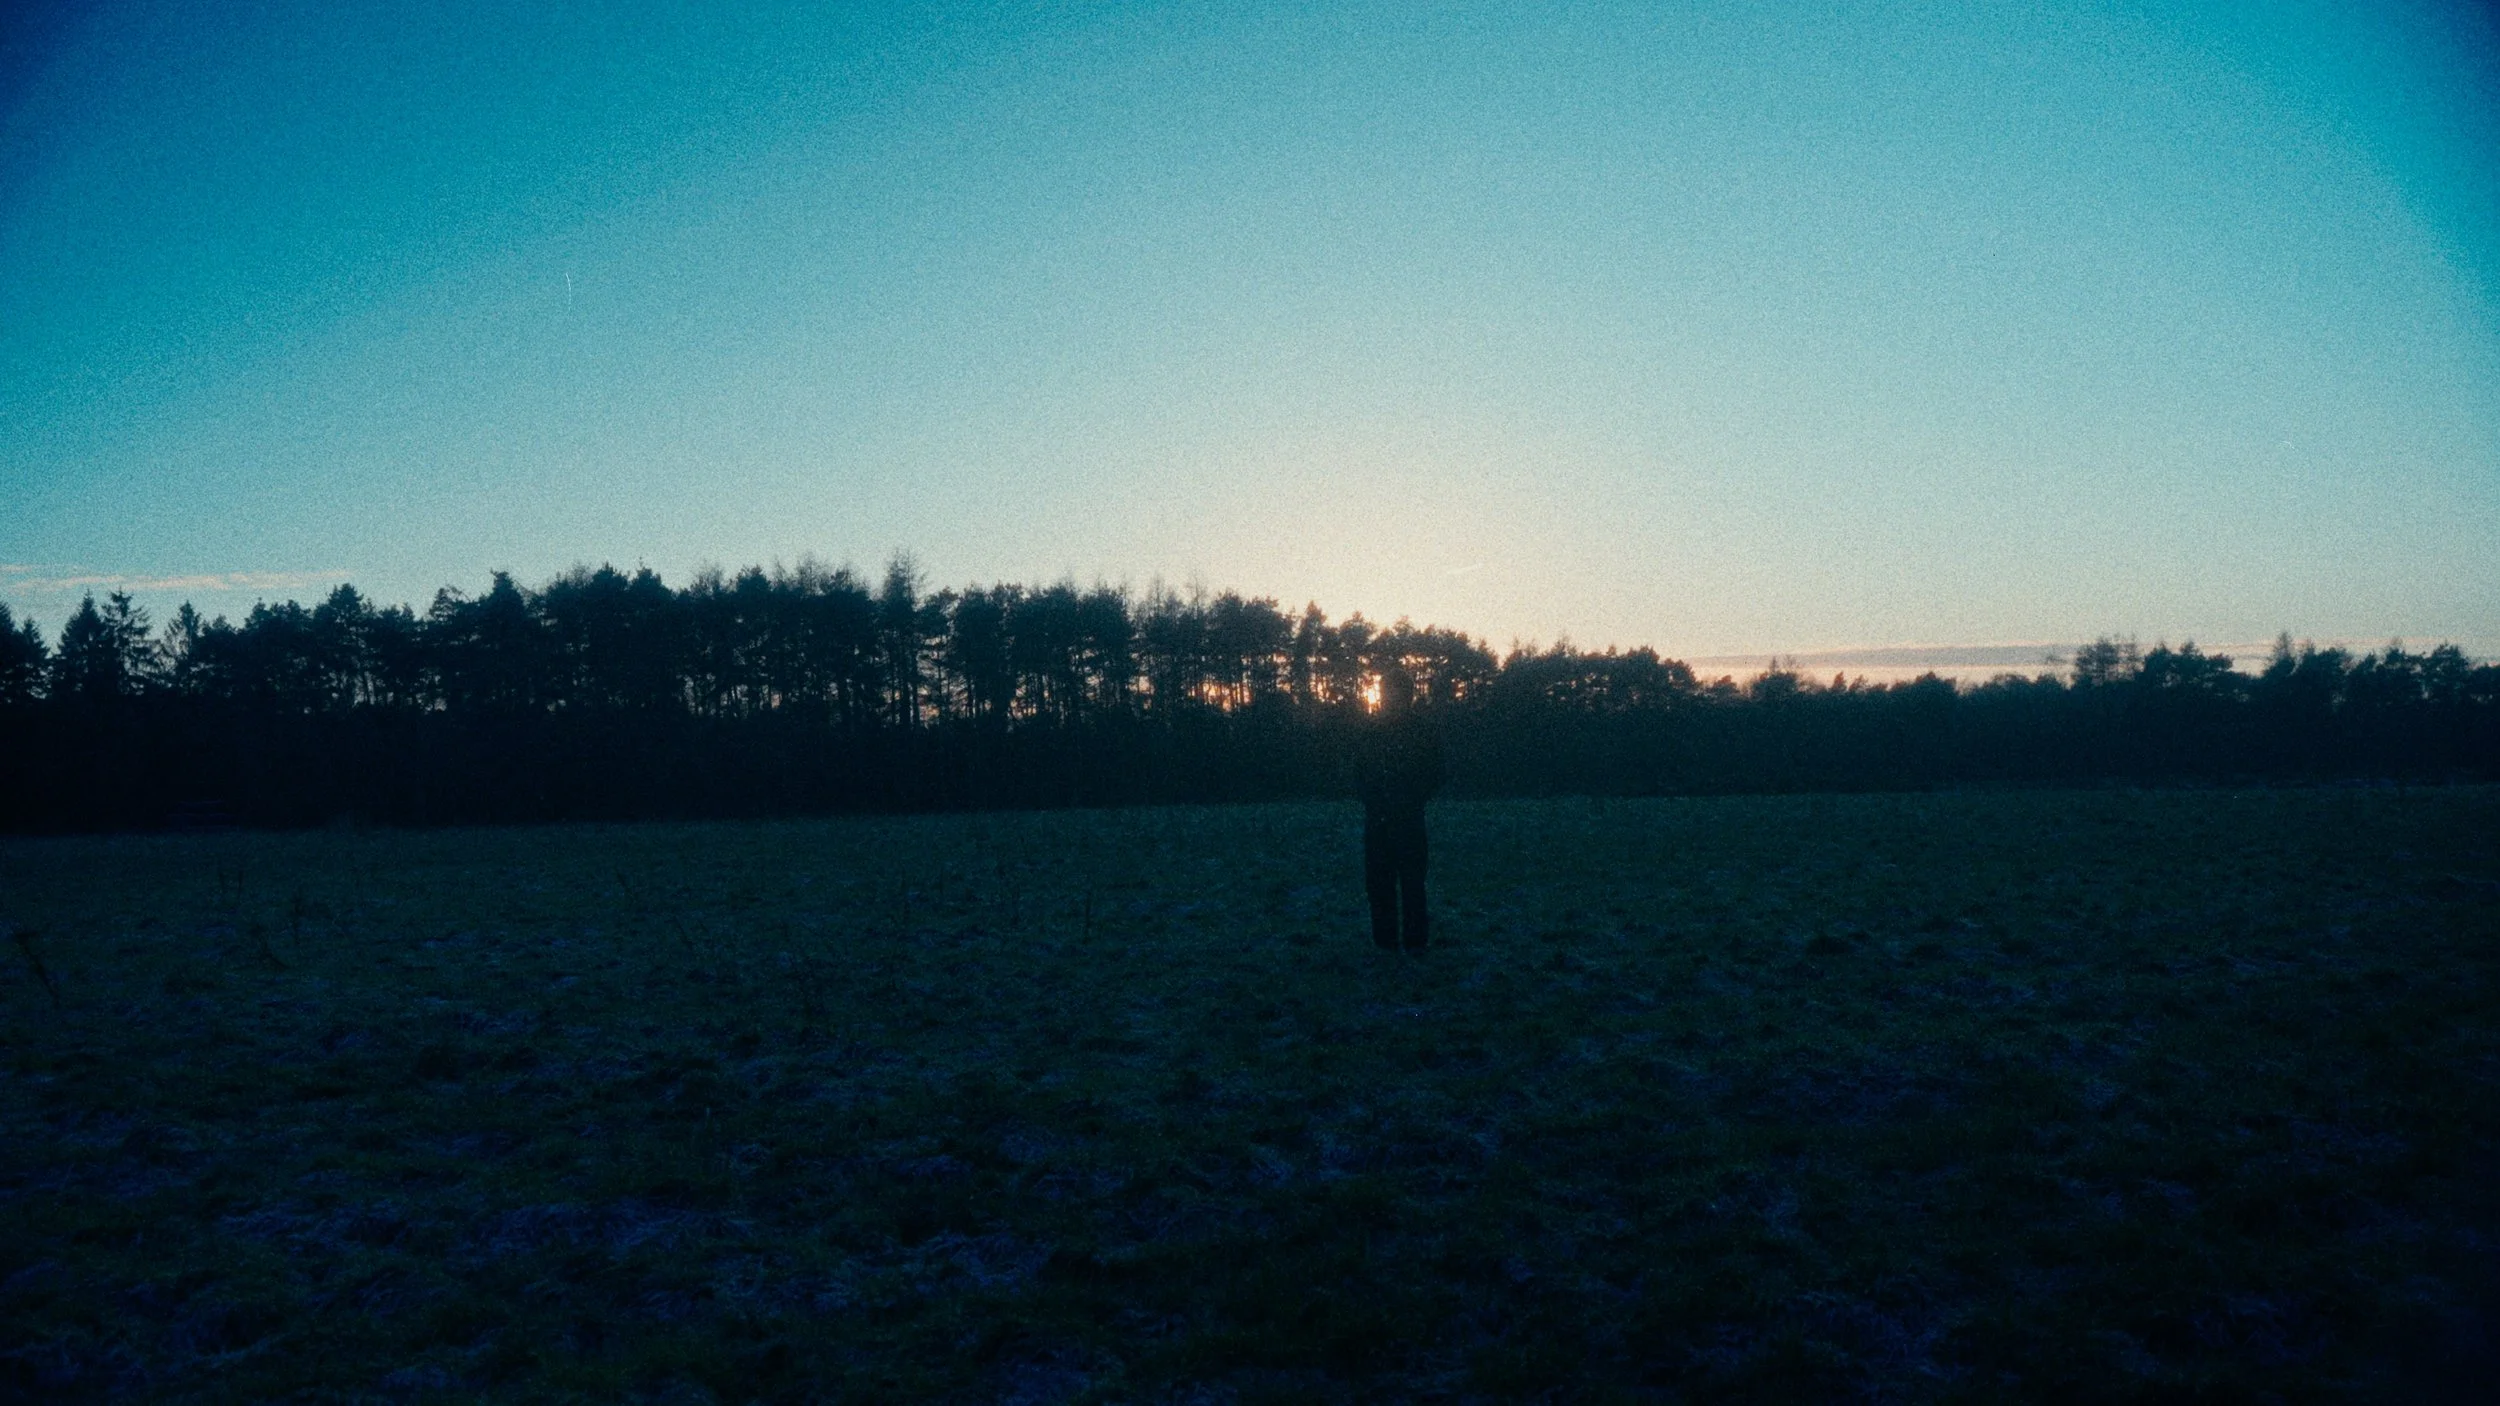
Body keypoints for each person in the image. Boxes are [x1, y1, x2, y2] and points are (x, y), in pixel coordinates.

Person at [1355, 666, 1443, 952]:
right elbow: (1359, 773)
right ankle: (1394, 944)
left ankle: (1404, 944)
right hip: (1391, 818)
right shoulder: (1374, 731)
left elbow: (1435, 773)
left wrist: (1406, 798)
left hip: (1399, 818)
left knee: (1407, 884)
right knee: (1390, 885)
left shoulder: (1381, 731)